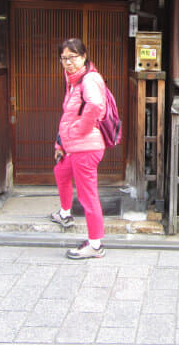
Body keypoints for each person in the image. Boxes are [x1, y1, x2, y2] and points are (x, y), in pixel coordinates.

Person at [50, 38, 107, 259]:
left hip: (86, 148)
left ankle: (95, 245)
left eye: (73, 57)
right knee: (60, 171)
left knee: (87, 196)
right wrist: (60, 143)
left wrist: (80, 130)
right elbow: (68, 116)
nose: (68, 62)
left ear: (84, 57)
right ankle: (65, 214)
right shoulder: (73, 81)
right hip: (73, 146)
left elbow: (95, 106)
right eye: (64, 58)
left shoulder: (89, 79)